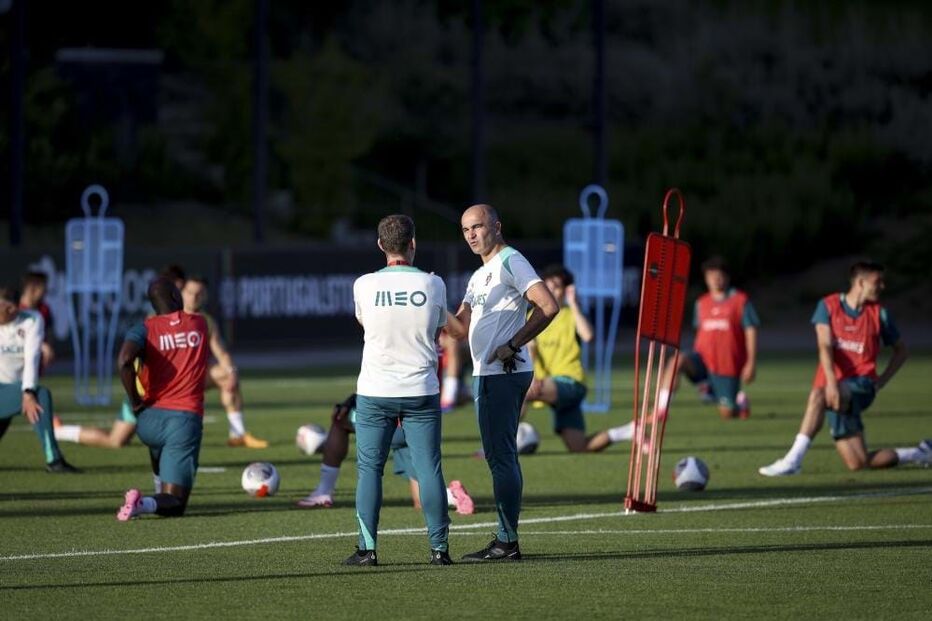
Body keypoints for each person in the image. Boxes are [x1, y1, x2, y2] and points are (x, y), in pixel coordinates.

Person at [444, 204, 558, 562]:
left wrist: (512, 345)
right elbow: (459, 329)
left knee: (501, 457)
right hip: (487, 374)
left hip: (503, 374)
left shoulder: (511, 260)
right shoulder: (479, 275)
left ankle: (507, 542)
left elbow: (548, 305)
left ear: (496, 226)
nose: (471, 235)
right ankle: (506, 539)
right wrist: (430, 302)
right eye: (465, 230)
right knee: (499, 456)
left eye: (477, 226)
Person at [343, 214, 452, 567]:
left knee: (369, 470)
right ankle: (439, 551)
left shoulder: (363, 285)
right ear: (413, 243)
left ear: (380, 245)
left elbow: (365, 323)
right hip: (421, 387)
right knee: (429, 468)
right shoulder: (434, 284)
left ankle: (367, 549)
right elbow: (438, 332)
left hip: (376, 389)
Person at [759, 261, 930, 476]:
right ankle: (919, 453)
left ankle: (793, 461)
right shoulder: (828, 306)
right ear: (860, 282)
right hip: (835, 388)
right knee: (858, 462)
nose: (883, 286)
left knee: (817, 396)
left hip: (861, 386)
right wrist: (831, 383)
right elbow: (824, 345)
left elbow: (901, 351)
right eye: (877, 282)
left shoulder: (879, 314)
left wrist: (881, 381)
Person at [115, 278, 210, 520]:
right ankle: (143, 504)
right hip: (183, 421)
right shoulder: (199, 324)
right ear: (177, 297)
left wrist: (135, 402)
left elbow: (124, 361)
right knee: (176, 503)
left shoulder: (143, 328)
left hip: (148, 421)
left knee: (161, 450)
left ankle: (159, 486)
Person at [295, 393, 474, 515]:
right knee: (421, 502)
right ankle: (452, 495)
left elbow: (376, 380)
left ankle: (323, 492)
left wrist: (349, 401)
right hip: (419, 420)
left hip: (390, 418)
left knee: (340, 419)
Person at [523, 265, 634, 452]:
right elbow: (529, 349)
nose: (550, 290)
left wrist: (573, 304)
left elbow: (588, 335)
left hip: (571, 383)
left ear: (566, 290)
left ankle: (496, 447)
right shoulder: (532, 316)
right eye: (547, 285)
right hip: (553, 389)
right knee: (580, 447)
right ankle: (630, 431)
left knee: (520, 392)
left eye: (556, 286)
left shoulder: (570, 314)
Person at [656, 256, 759, 420]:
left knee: (727, 414)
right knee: (677, 361)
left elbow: (751, 330)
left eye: (719, 276)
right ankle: (661, 410)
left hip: (727, 365)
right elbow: (701, 332)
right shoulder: (701, 303)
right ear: (706, 279)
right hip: (702, 361)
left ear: (727, 277)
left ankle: (739, 402)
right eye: (711, 276)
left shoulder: (740, 301)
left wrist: (751, 362)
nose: (716, 280)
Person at [181, 277, 268, 448]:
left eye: (199, 294)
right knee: (118, 440)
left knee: (227, 375)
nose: (194, 297)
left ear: (205, 296)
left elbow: (221, 352)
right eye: (190, 292)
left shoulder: (206, 321)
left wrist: (232, 372)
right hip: (174, 380)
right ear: (182, 293)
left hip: (196, 376)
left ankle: (238, 434)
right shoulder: (170, 318)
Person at [0, 285, 79, 473]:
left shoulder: (32, 320)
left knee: (38, 394)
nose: (8, 311)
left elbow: (32, 358)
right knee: (41, 395)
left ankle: (53, 459)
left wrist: (27, 392)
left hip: (14, 391)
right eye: (3, 306)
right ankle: (54, 460)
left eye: (10, 307)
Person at [18, 271, 55, 371]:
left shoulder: (44, 309)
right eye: (43, 288)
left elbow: (49, 332)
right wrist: (41, 345)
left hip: (36, 363)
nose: (46, 291)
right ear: (32, 288)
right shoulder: (14, 309)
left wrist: (48, 347)